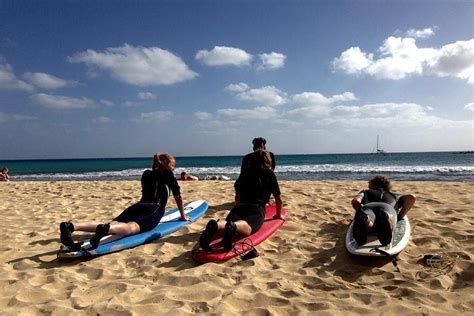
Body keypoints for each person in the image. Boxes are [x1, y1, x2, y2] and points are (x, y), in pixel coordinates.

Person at [59, 153, 190, 250]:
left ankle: (72, 226)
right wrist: (183, 216)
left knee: (112, 223)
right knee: (130, 228)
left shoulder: (146, 174)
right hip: (153, 209)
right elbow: (178, 197)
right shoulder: (168, 174)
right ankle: (106, 229)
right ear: (167, 165)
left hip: (137, 206)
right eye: (173, 166)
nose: (174, 169)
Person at [199, 150, 283, 251]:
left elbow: (237, 196)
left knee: (226, 222)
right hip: (256, 209)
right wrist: (278, 215)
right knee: (248, 228)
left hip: (239, 207)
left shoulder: (245, 173)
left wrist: (237, 207)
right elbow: (278, 199)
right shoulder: (269, 174)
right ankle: (233, 227)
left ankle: (217, 225)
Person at [351, 175, 416, 246]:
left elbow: (356, 201)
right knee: (387, 216)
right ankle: (387, 218)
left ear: (373, 184)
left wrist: (360, 211)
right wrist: (400, 216)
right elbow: (411, 197)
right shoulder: (394, 195)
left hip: (368, 207)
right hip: (387, 207)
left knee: (368, 217)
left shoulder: (365, 192)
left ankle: (366, 220)